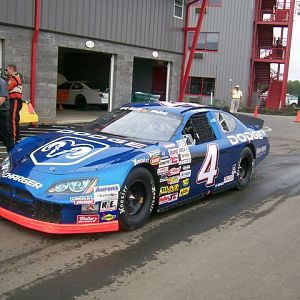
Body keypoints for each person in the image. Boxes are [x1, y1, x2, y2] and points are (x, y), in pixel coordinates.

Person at [6, 64, 23, 142]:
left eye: (7, 70)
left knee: (12, 119)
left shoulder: (15, 78)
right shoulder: (14, 78)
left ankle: (13, 137)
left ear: (12, 70)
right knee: (15, 119)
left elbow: (8, 88)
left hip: (15, 100)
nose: (6, 72)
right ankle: (16, 136)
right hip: (14, 100)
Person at [0, 70, 14, 152]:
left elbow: (2, 98)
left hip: (2, 112)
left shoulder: (1, 82)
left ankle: (13, 153)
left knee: (6, 134)